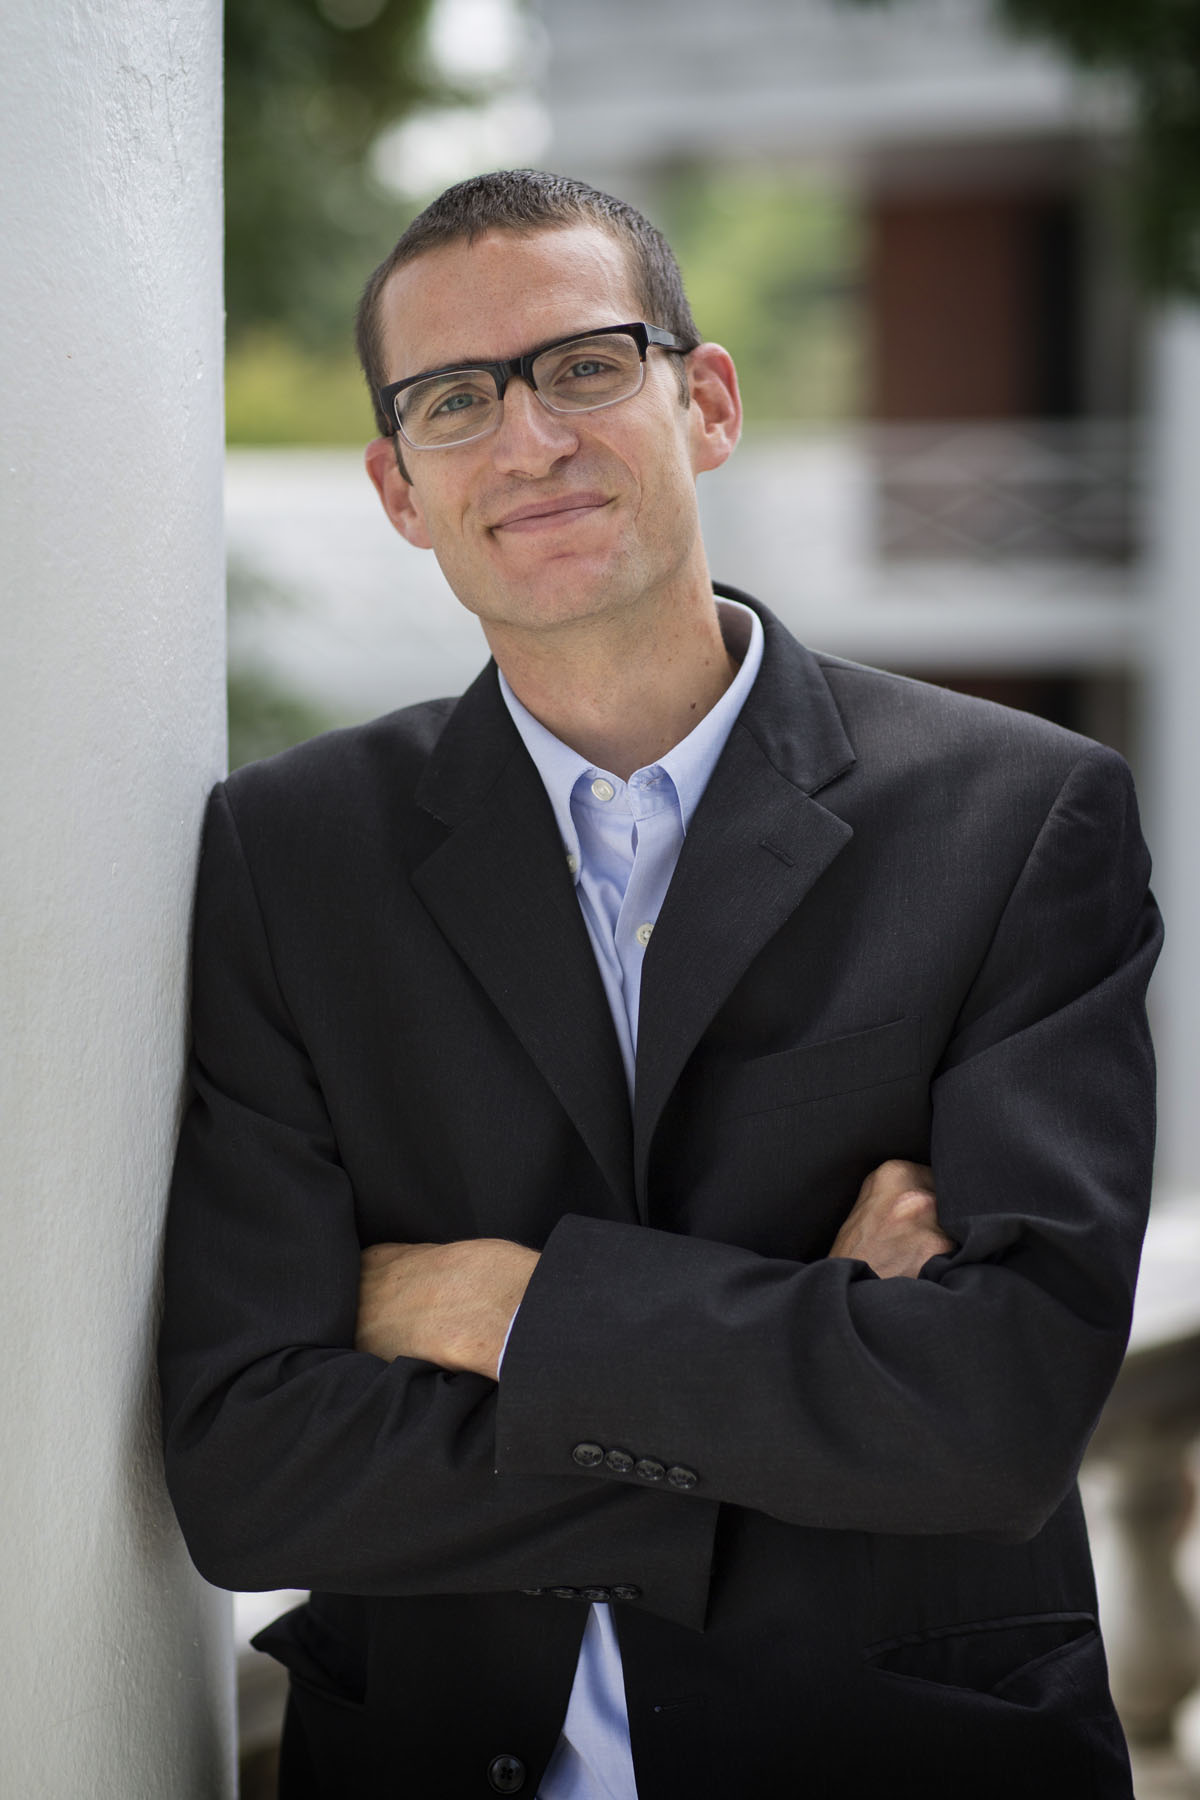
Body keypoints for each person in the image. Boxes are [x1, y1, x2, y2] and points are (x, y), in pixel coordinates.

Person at [159, 170, 1161, 1799]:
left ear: (707, 403)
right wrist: (808, 1364)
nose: (529, 441)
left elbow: (996, 1415)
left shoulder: (1018, 817)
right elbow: (250, 1471)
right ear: (400, 487)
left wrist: (492, 1309)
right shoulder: (290, 856)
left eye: (584, 366)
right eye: (454, 401)